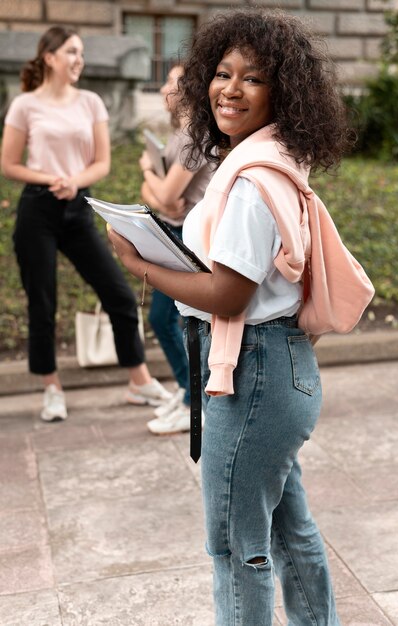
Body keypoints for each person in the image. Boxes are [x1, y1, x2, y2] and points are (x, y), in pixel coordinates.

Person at [108, 8, 373, 625]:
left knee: (235, 548)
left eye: (252, 78)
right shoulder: (269, 161)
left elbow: (229, 294)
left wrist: (142, 264)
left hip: (253, 375)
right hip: (276, 371)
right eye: (222, 73)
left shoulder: (252, 180)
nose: (231, 88)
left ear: (283, 90)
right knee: (289, 531)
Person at [0, 25, 172, 422]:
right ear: (50, 58)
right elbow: (9, 164)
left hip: (78, 208)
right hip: (37, 211)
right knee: (42, 302)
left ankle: (139, 382)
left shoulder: (91, 102)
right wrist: (51, 180)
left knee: (120, 295)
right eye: (72, 52)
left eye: (81, 53)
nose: (80, 60)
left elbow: (102, 162)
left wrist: (74, 182)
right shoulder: (25, 105)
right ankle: (51, 388)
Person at [139, 64, 214, 435]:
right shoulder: (179, 133)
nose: (166, 85)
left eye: (173, 80)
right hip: (172, 228)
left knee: (180, 322)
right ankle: (188, 391)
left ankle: (192, 400)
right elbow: (158, 200)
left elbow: (168, 196)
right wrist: (154, 187)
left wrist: (146, 173)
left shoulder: (194, 136)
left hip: (188, 237)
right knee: (166, 320)